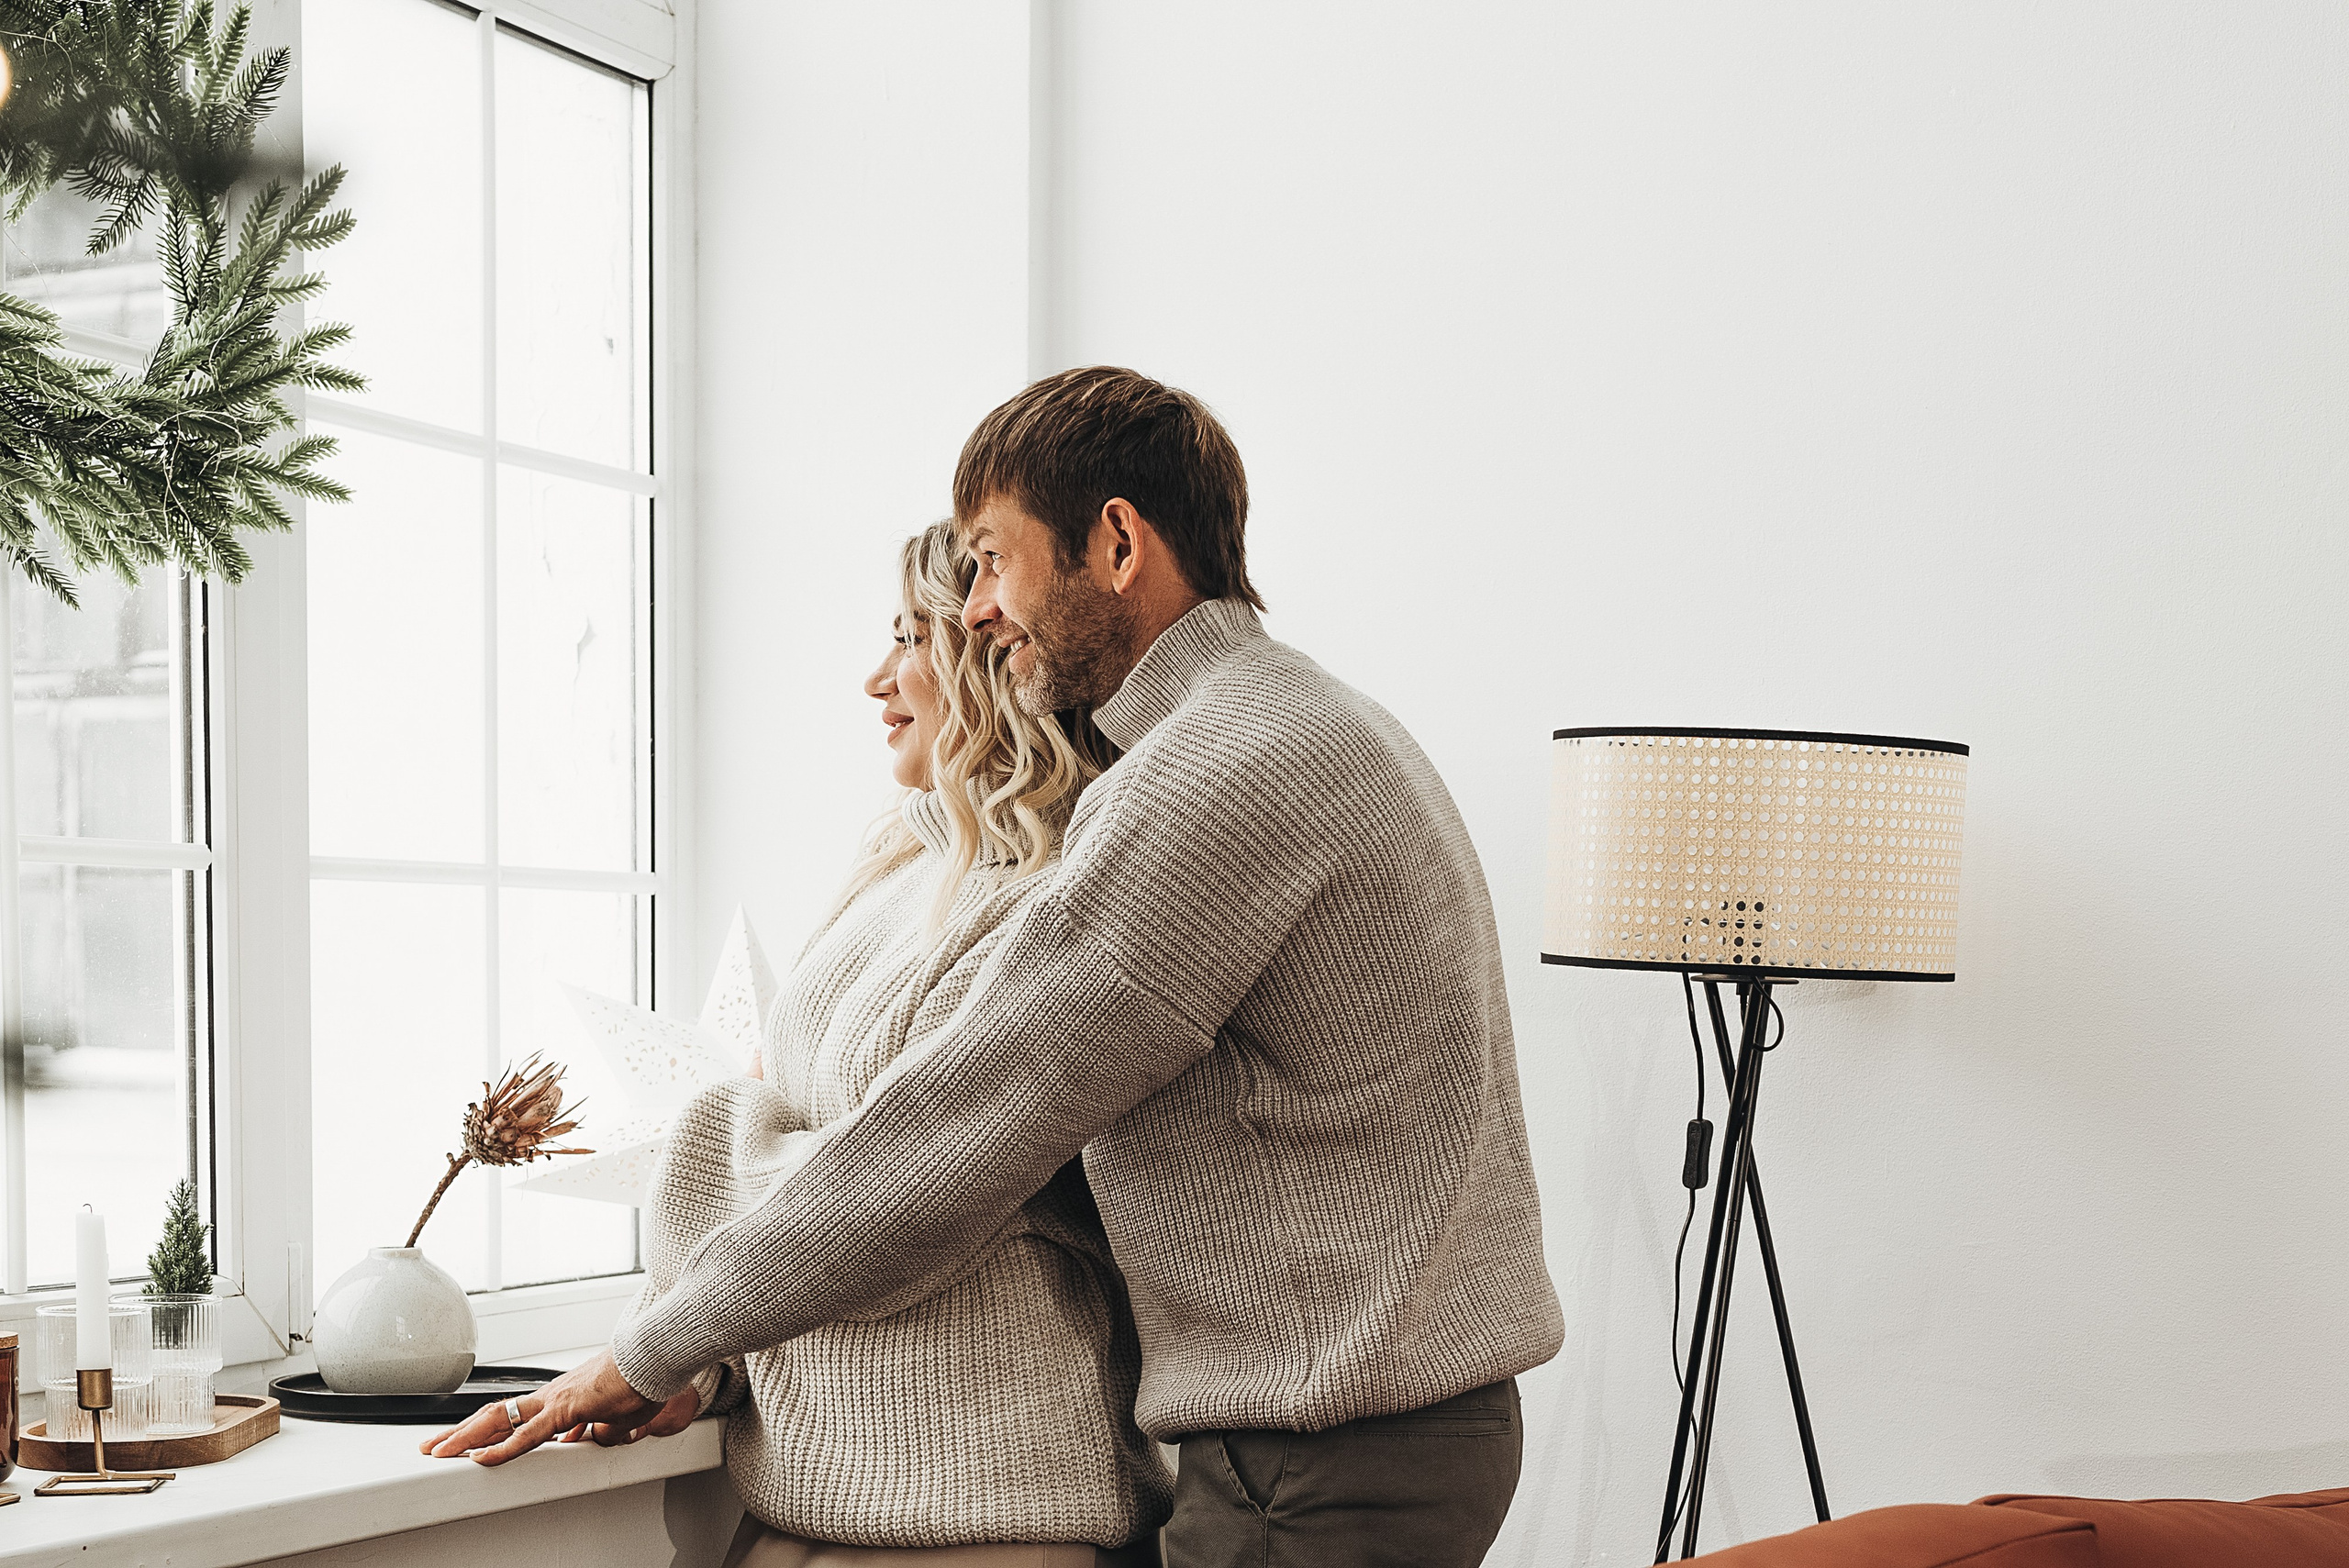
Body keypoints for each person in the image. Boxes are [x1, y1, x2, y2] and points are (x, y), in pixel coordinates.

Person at [429, 367, 1564, 1568]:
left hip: (1320, 1461)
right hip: (1386, 1435)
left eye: (991, 558)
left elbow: (953, 1133)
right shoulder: (1314, 719)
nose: (976, 608)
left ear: (1116, 541)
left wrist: (652, 1346)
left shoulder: (1209, 776)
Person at [429, 523, 1170, 1567]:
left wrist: (716, 1130)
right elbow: (810, 1219)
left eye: (911, 636)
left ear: (989, 657)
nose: (877, 677)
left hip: (996, 1515)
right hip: (801, 1495)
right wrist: (709, 1359)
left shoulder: (1058, 901)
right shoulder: (897, 862)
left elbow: (890, 1187)